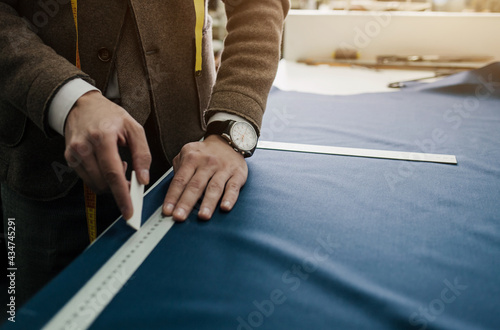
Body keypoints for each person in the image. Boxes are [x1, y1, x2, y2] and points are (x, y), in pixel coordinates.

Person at [0, 0, 289, 306]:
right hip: (45, 157)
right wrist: (65, 96)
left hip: (190, 156)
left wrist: (229, 128)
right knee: (42, 312)